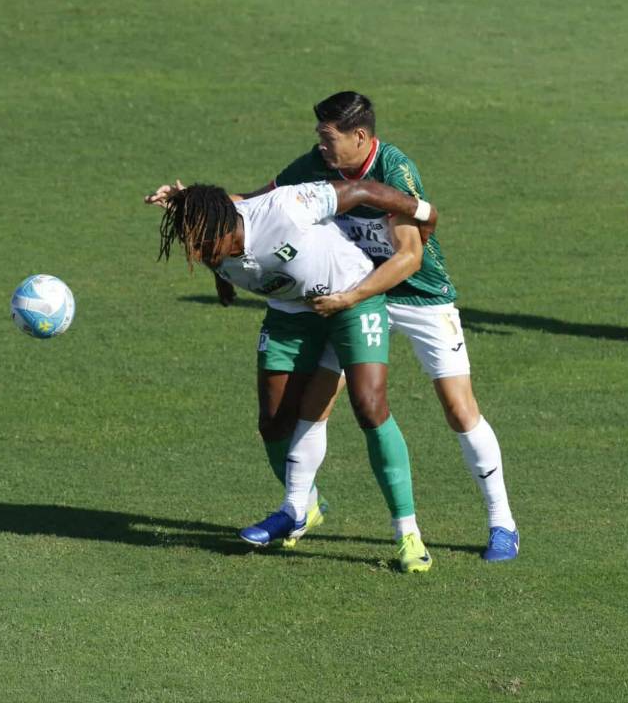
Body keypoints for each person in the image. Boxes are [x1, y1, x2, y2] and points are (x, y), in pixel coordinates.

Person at [221, 91, 519, 562]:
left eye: (327, 137)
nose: (320, 146)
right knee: (316, 404)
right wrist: (192, 203)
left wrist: (351, 296)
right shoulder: (315, 165)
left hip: (416, 295)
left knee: (459, 408)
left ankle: (502, 521)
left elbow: (410, 255)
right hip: (354, 294)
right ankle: (296, 508)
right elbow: (255, 201)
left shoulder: (393, 169)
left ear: (360, 137)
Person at [155, 178, 438, 572]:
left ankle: (408, 534)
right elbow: (220, 253)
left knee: (370, 407)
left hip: (352, 296)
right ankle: (301, 507)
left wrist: (422, 212)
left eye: (202, 244)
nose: (197, 252)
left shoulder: (284, 208)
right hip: (291, 314)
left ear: (224, 226)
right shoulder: (211, 245)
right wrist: (222, 279)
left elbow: (359, 191)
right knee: (273, 422)